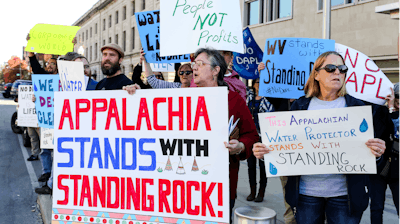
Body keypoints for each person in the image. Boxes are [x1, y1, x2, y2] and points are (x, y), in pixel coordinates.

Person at [125, 47, 259, 223]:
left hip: (222, 187)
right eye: (194, 63)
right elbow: (150, 113)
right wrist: (133, 95)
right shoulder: (182, 97)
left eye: (200, 64)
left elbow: (251, 136)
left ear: (215, 70)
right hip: (184, 189)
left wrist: (240, 146)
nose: (194, 68)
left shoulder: (234, 100)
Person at [253, 51, 387, 224]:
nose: (337, 72)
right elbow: (285, 146)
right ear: (316, 74)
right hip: (306, 194)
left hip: (345, 196)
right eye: (331, 68)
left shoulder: (358, 107)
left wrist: (377, 152)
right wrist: (266, 152)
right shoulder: (300, 106)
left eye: (342, 68)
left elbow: (372, 157)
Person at [368, 83, 400, 223]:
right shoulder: (379, 111)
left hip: (398, 169)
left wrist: (393, 109)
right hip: (379, 167)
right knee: (376, 207)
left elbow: (398, 133)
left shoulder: (394, 113)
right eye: (397, 96)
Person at [246, 78, 274, 202]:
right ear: (254, 85)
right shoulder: (249, 98)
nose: (260, 85)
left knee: (263, 166)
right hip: (251, 135)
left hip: (263, 136)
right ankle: (252, 191)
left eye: (263, 82)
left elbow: (270, 115)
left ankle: (261, 193)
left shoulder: (268, 99)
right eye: (258, 82)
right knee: (250, 165)